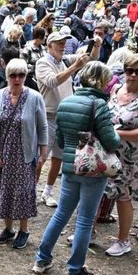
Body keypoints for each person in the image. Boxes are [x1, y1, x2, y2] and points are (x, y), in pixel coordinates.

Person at [33, 61, 121, 275]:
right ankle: (75, 270)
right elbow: (111, 141)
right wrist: (119, 137)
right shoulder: (99, 105)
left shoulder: (66, 102)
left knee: (61, 213)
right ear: (101, 81)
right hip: (93, 169)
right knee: (84, 219)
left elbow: (61, 140)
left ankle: (41, 260)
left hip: (70, 166)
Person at [0, 57, 47, 248]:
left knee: (22, 192)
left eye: (21, 75)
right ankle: (8, 228)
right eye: (13, 75)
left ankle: (24, 230)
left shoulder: (35, 97)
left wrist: (43, 155)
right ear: (7, 76)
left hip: (23, 155)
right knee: (4, 190)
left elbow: (43, 126)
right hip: (1, 155)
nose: (17, 79)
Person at [104, 53, 138, 257]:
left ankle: (123, 240)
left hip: (133, 157)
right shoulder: (117, 89)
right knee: (102, 190)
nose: (133, 75)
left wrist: (116, 133)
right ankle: (88, 231)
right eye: (130, 71)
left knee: (123, 196)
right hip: (110, 152)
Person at [36, 29, 98, 207]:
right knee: (41, 157)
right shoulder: (42, 63)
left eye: (64, 42)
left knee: (59, 157)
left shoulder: (63, 60)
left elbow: (89, 58)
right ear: (49, 46)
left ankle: (47, 192)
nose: (63, 46)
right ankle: (30, 191)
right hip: (47, 117)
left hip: (64, 117)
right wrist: (75, 67)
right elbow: (52, 81)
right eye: (59, 43)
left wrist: (97, 46)